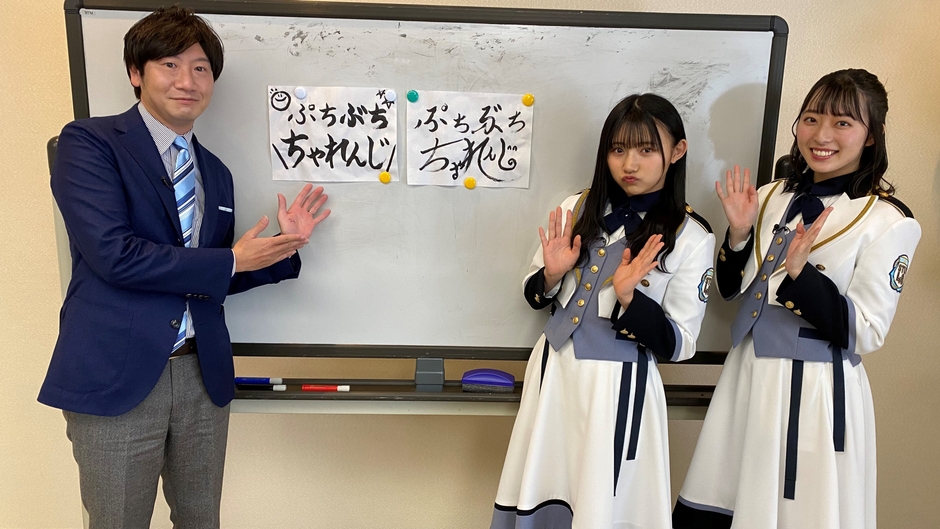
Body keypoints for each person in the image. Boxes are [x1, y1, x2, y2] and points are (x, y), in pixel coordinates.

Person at [37, 6, 330, 528]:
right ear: (136, 73)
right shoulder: (90, 143)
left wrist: (283, 247)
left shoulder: (215, 171)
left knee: (201, 522)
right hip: (116, 374)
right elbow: (114, 256)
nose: (187, 81)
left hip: (200, 374)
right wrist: (231, 259)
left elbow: (207, 277)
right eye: (169, 65)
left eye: (200, 68)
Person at [674, 69, 921, 529]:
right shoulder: (768, 196)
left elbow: (866, 331)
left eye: (842, 123)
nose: (821, 135)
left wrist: (801, 276)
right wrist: (739, 235)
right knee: (723, 503)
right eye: (811, 119)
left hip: (814, 392)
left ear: (872, 135)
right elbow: (732, 290)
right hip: (747, 376)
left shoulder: (888, 221)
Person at [491, 93, 715, 528]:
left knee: (602, 504)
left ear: (677, 152)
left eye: (646, 149)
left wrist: (632, 300)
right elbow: (534, 294)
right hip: (554, 371)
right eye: (618, 149)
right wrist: (551, 275)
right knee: (543, 486)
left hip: (618, 387)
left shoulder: (691, 235)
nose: (629, 164)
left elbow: (681, 344)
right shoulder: (574, 208)